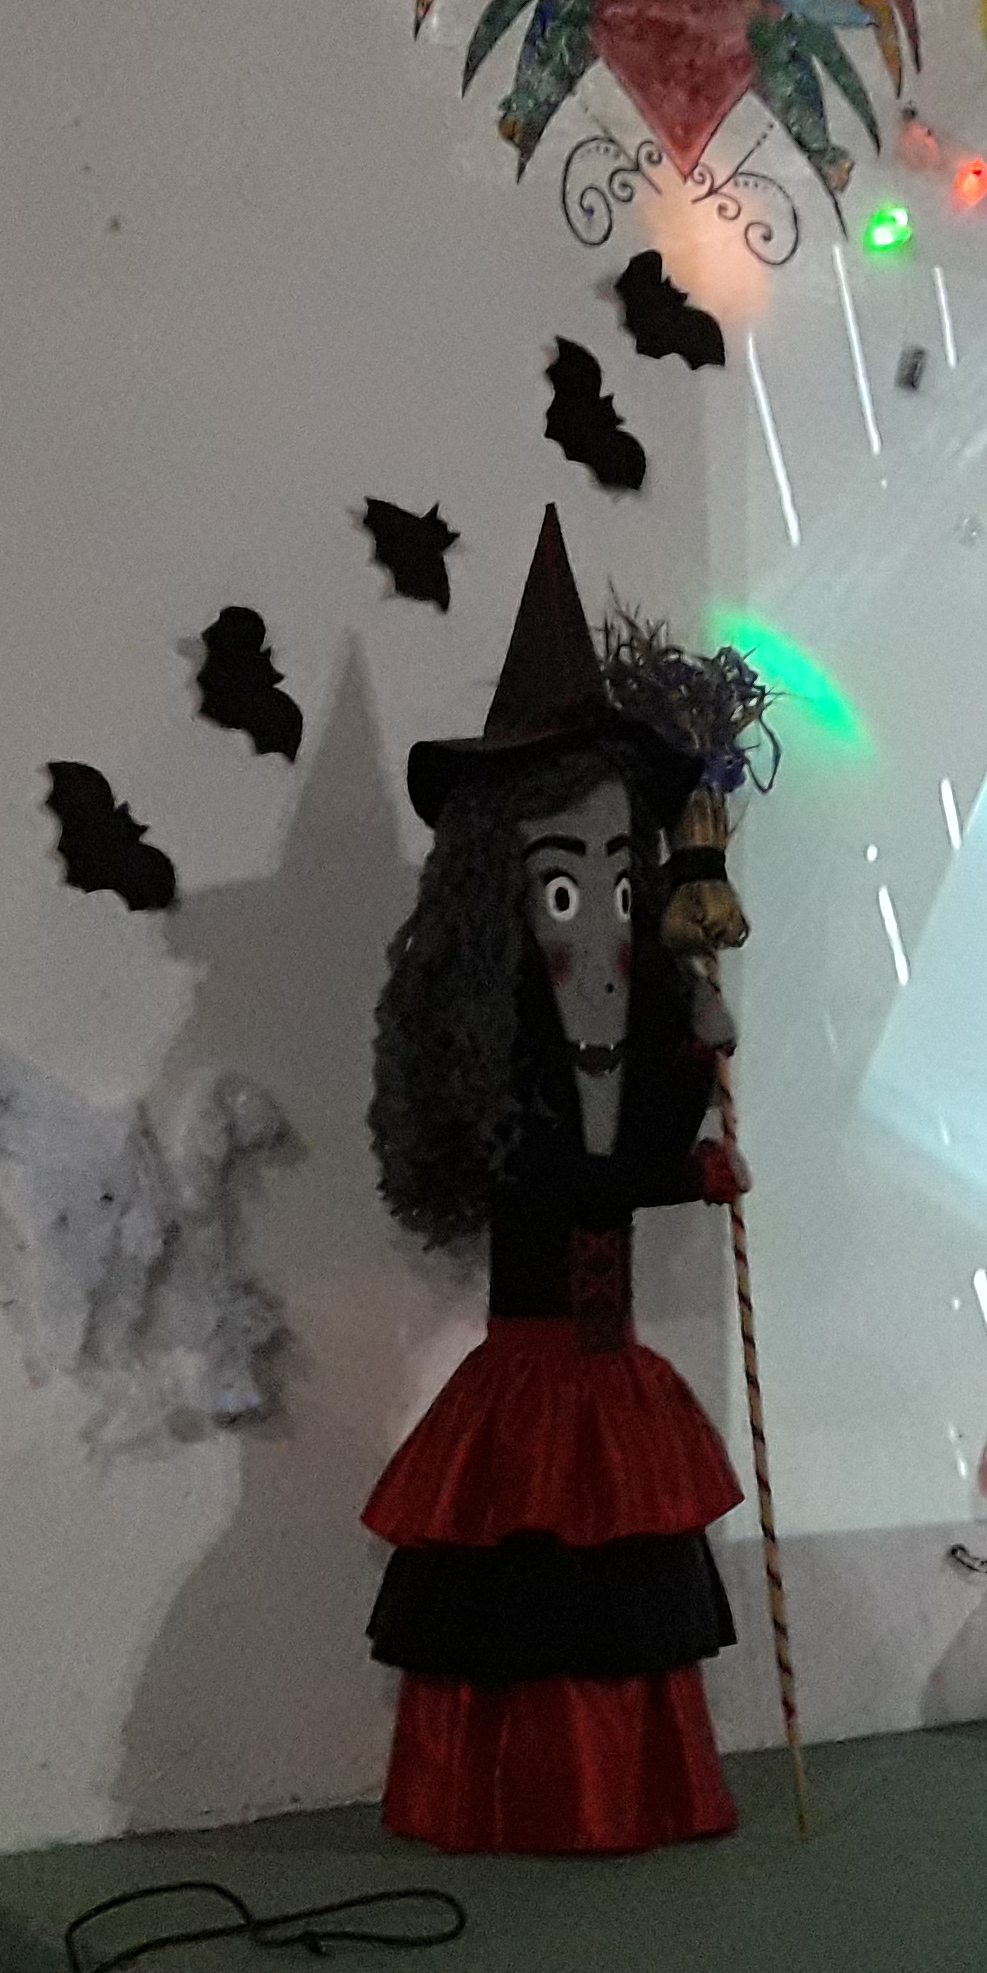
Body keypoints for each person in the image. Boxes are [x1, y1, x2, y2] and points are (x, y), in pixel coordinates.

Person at [360, 511, 750, 1852]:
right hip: (531, 1371)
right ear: (500, 889)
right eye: (560, 889)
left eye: (617, 882)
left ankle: (631, 1788)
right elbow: (556, 1178)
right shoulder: (493, 1047)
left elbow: (625, 1144)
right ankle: (520, 1792)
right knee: (529, 1581)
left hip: (610, 1365)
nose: (591, 919)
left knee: (621, 1586)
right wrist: (682, 1168)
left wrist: (693, 1055)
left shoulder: (631, 1028)